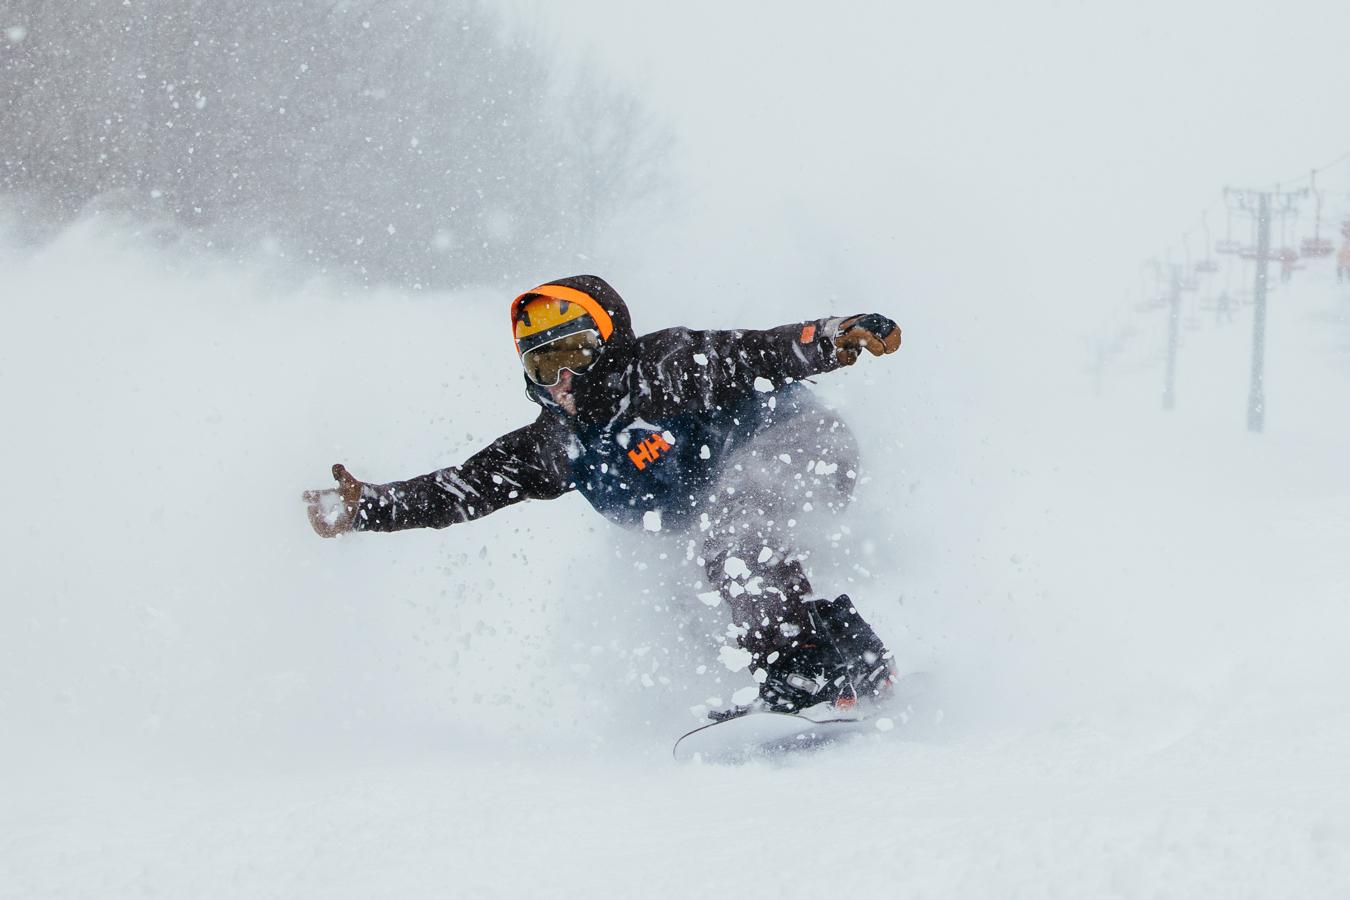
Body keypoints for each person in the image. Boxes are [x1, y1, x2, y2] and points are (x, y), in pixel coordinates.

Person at [304, 275, 903, 720]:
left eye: (574, 354)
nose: (562, 379)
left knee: (735, 538)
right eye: (544, 365)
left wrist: (834, 336)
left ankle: (804, 674)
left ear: (608, 344)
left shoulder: (662, 368)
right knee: (690, 592)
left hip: (797, 445)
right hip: (717, 503)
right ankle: (851, 656)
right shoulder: (556, 445)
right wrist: (370, 507)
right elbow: (466, 486)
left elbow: (759, 351)